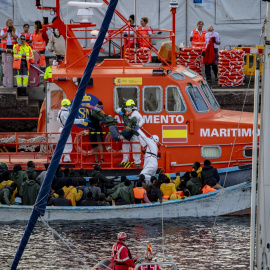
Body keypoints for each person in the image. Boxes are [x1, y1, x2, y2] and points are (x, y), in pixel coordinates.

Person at [117, 99, 144, 167]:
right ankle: (124, 161)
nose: (128, 107)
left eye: (129, 106)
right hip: (126, 131)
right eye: (127, 106)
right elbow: (117, 110)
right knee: (125, 146)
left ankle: (137, 162)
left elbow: (142, 120)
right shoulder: (126, 111)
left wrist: (139, 125)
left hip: (133, 131)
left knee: (136, 146)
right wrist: (121, 113)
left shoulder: (136, 113)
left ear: (132, 106)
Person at [57, 98, 86, 162]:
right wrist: (83, 120)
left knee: (61, 144)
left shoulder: (60, 112)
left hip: (61, 129)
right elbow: (73, 121)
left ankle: (60, 160)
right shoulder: (66, 113)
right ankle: (67, 160)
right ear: (65, 105)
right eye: (68, 105)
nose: (70, 106)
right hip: (65, 130)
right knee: (68, 144)